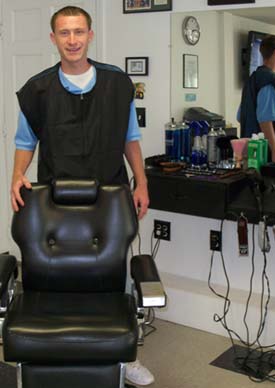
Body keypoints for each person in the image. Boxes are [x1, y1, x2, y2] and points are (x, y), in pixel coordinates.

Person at [10, 5, 154, 387]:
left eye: (78, 32)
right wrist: (16, 176)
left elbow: (131, 139)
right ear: (53, 38)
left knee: (115, 270)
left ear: (90, 35)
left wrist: (140, 182)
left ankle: (127, 353)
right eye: (64, 33)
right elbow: (25, 141)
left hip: (109, 193)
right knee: (51, 270)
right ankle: (48, 341)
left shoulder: (117, 83)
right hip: (57, 196)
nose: (72, 40)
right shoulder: (37, 89)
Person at [238, 35, 275, 162]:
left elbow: (240, 116)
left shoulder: (251, 80)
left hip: (251, 153)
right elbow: (265, 120)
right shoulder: (268, 80)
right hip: (265, 155)